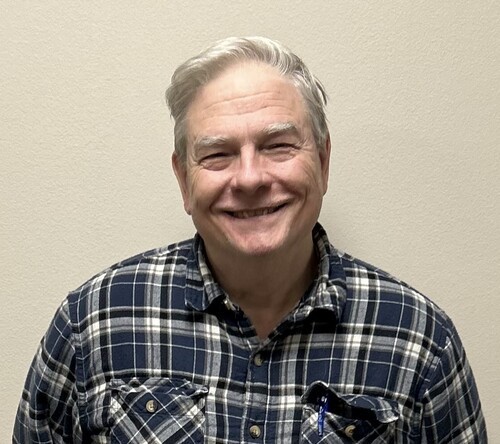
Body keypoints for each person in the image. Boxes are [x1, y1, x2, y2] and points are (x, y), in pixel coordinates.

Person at [14, 36, 487, 443]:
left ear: (323, 162)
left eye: (277, 146)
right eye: (217, 154)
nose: (249, 178)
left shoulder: (420, 340)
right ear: (183, 179)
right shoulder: (93, 324)